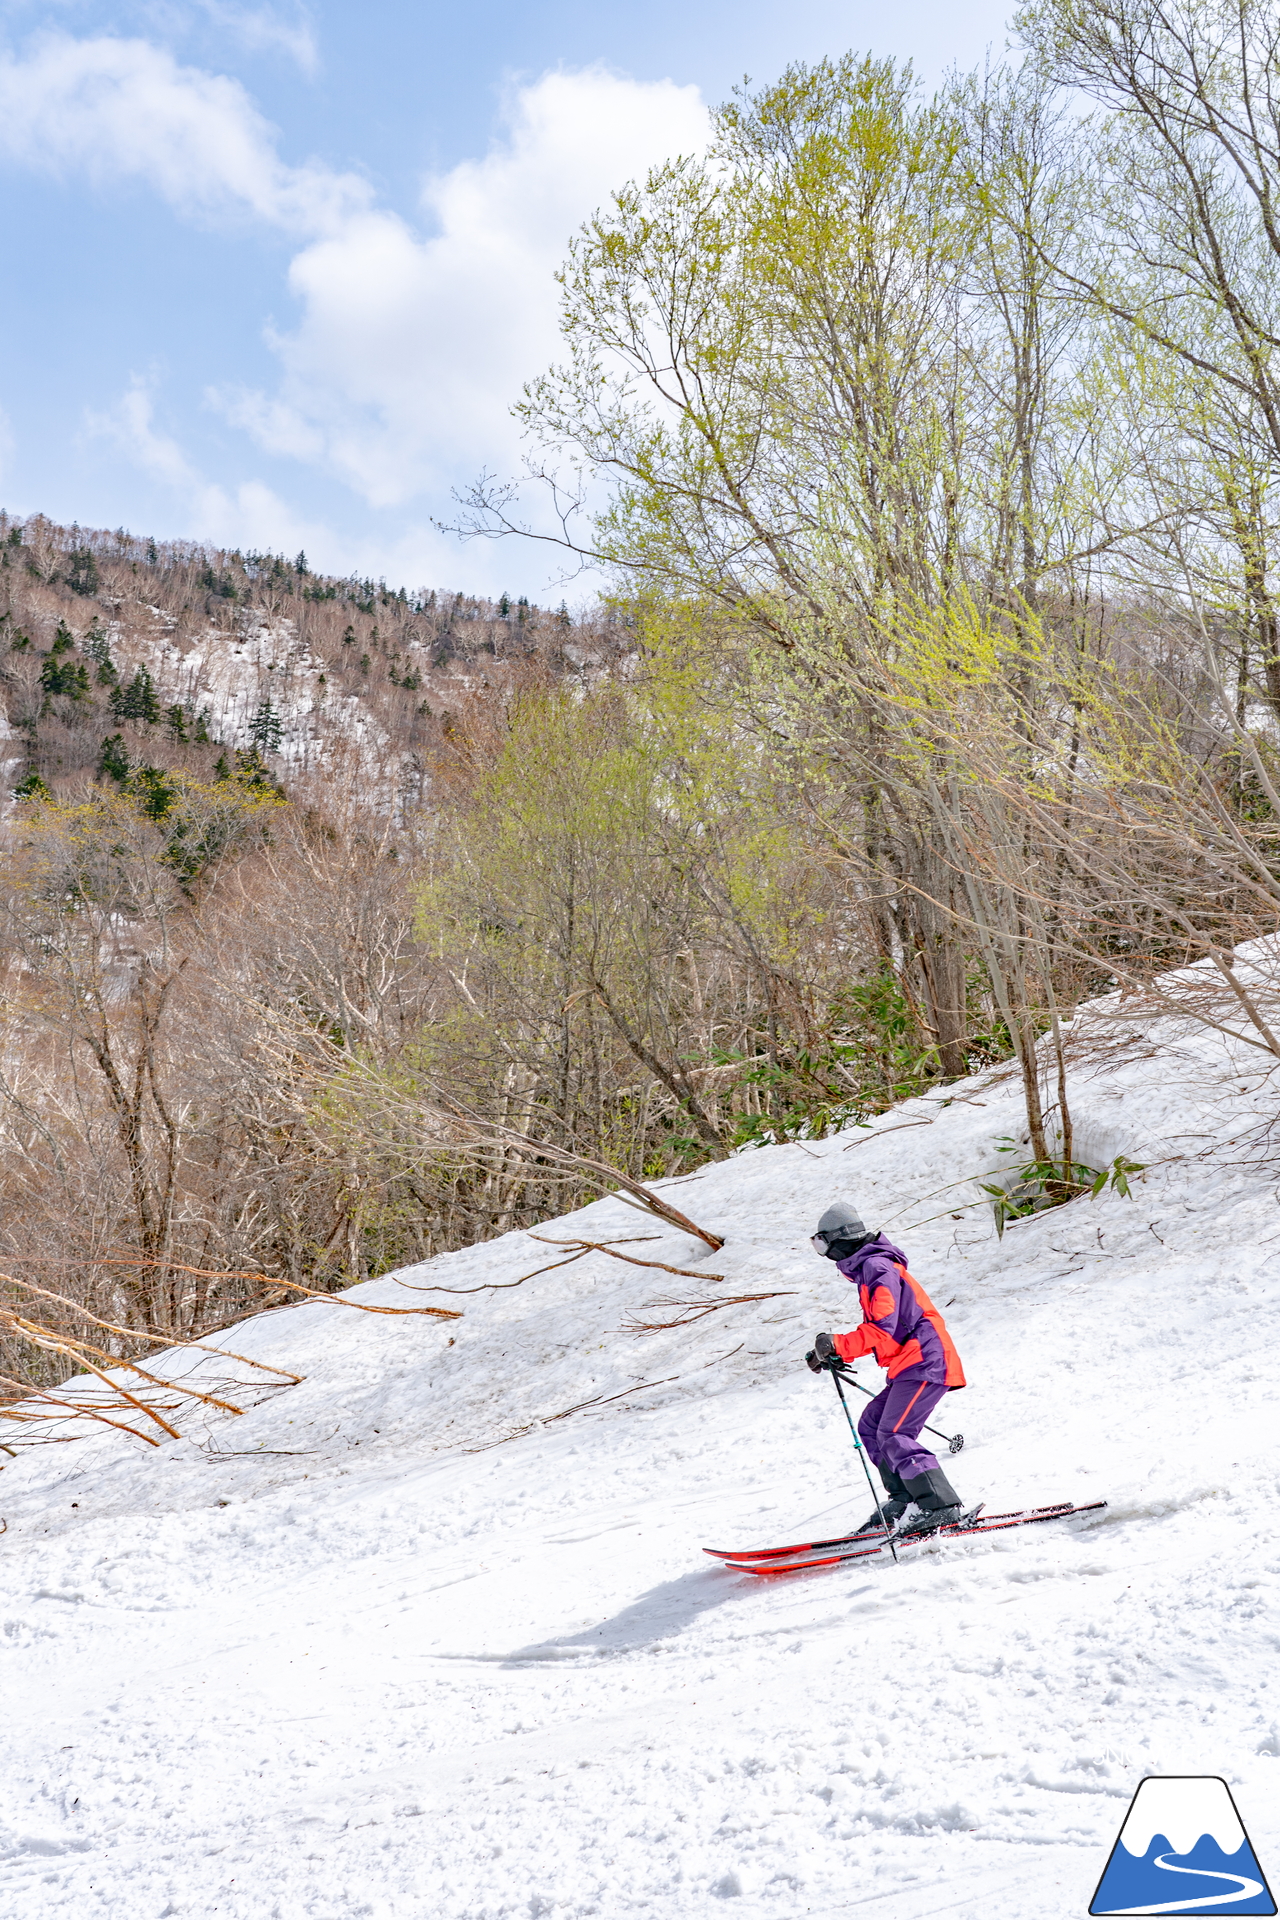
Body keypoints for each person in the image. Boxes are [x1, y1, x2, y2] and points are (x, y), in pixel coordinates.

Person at [805, 1199, 967, 1537]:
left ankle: (941, 1505)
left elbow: (883, 1327)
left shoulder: (878, 1268)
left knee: (894, 1433)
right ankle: (905, 1499)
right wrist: (833, 1352)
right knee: (872, 1425)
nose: (824, 1253)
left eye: (822, 1243)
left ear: (840, 1239)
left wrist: (837, 1343)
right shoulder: (869, 1270)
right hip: (910, 1363)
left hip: (926, 1360)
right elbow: (886, 1332)